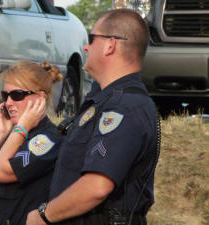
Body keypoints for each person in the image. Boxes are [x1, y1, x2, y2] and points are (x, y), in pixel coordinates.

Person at [26, 8, 159, 225]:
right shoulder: (104, 100)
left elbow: (97, 186)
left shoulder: (124, 106)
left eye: (92, 39)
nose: (86, 47)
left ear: (110, 45)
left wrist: (44, 215)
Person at [0, 61, 63, 225]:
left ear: (39, 98)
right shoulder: (13, 136)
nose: (9, 102)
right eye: (6, 96)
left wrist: (22, 127)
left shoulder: (48, 140)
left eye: (17, 95)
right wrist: (0, 133)